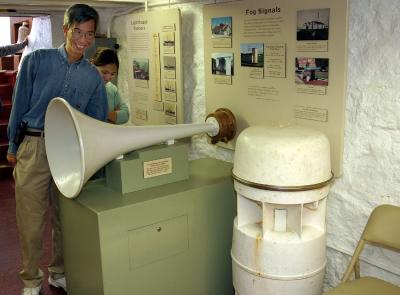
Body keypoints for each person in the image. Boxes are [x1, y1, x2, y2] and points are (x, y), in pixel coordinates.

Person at [6, 4, 108, 295]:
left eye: (90, 34)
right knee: (30, 220)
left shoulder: (93, 78)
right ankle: (30, 280)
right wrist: (13, 144)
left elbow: (96, 122)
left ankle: (59, 272)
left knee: (66, 219)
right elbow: (19, 105)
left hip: (70, 152)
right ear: (65, 29)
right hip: (34, 145)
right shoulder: (37, 61)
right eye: (78, 31)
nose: (84, 40)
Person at [91, 48, 129, 124]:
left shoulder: (112, 89)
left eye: (112, 74)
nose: (108, 78)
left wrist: (105, 115)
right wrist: (113, 116)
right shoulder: (83, 86)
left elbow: (125, 115)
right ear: (92, 65)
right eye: (104, 72)